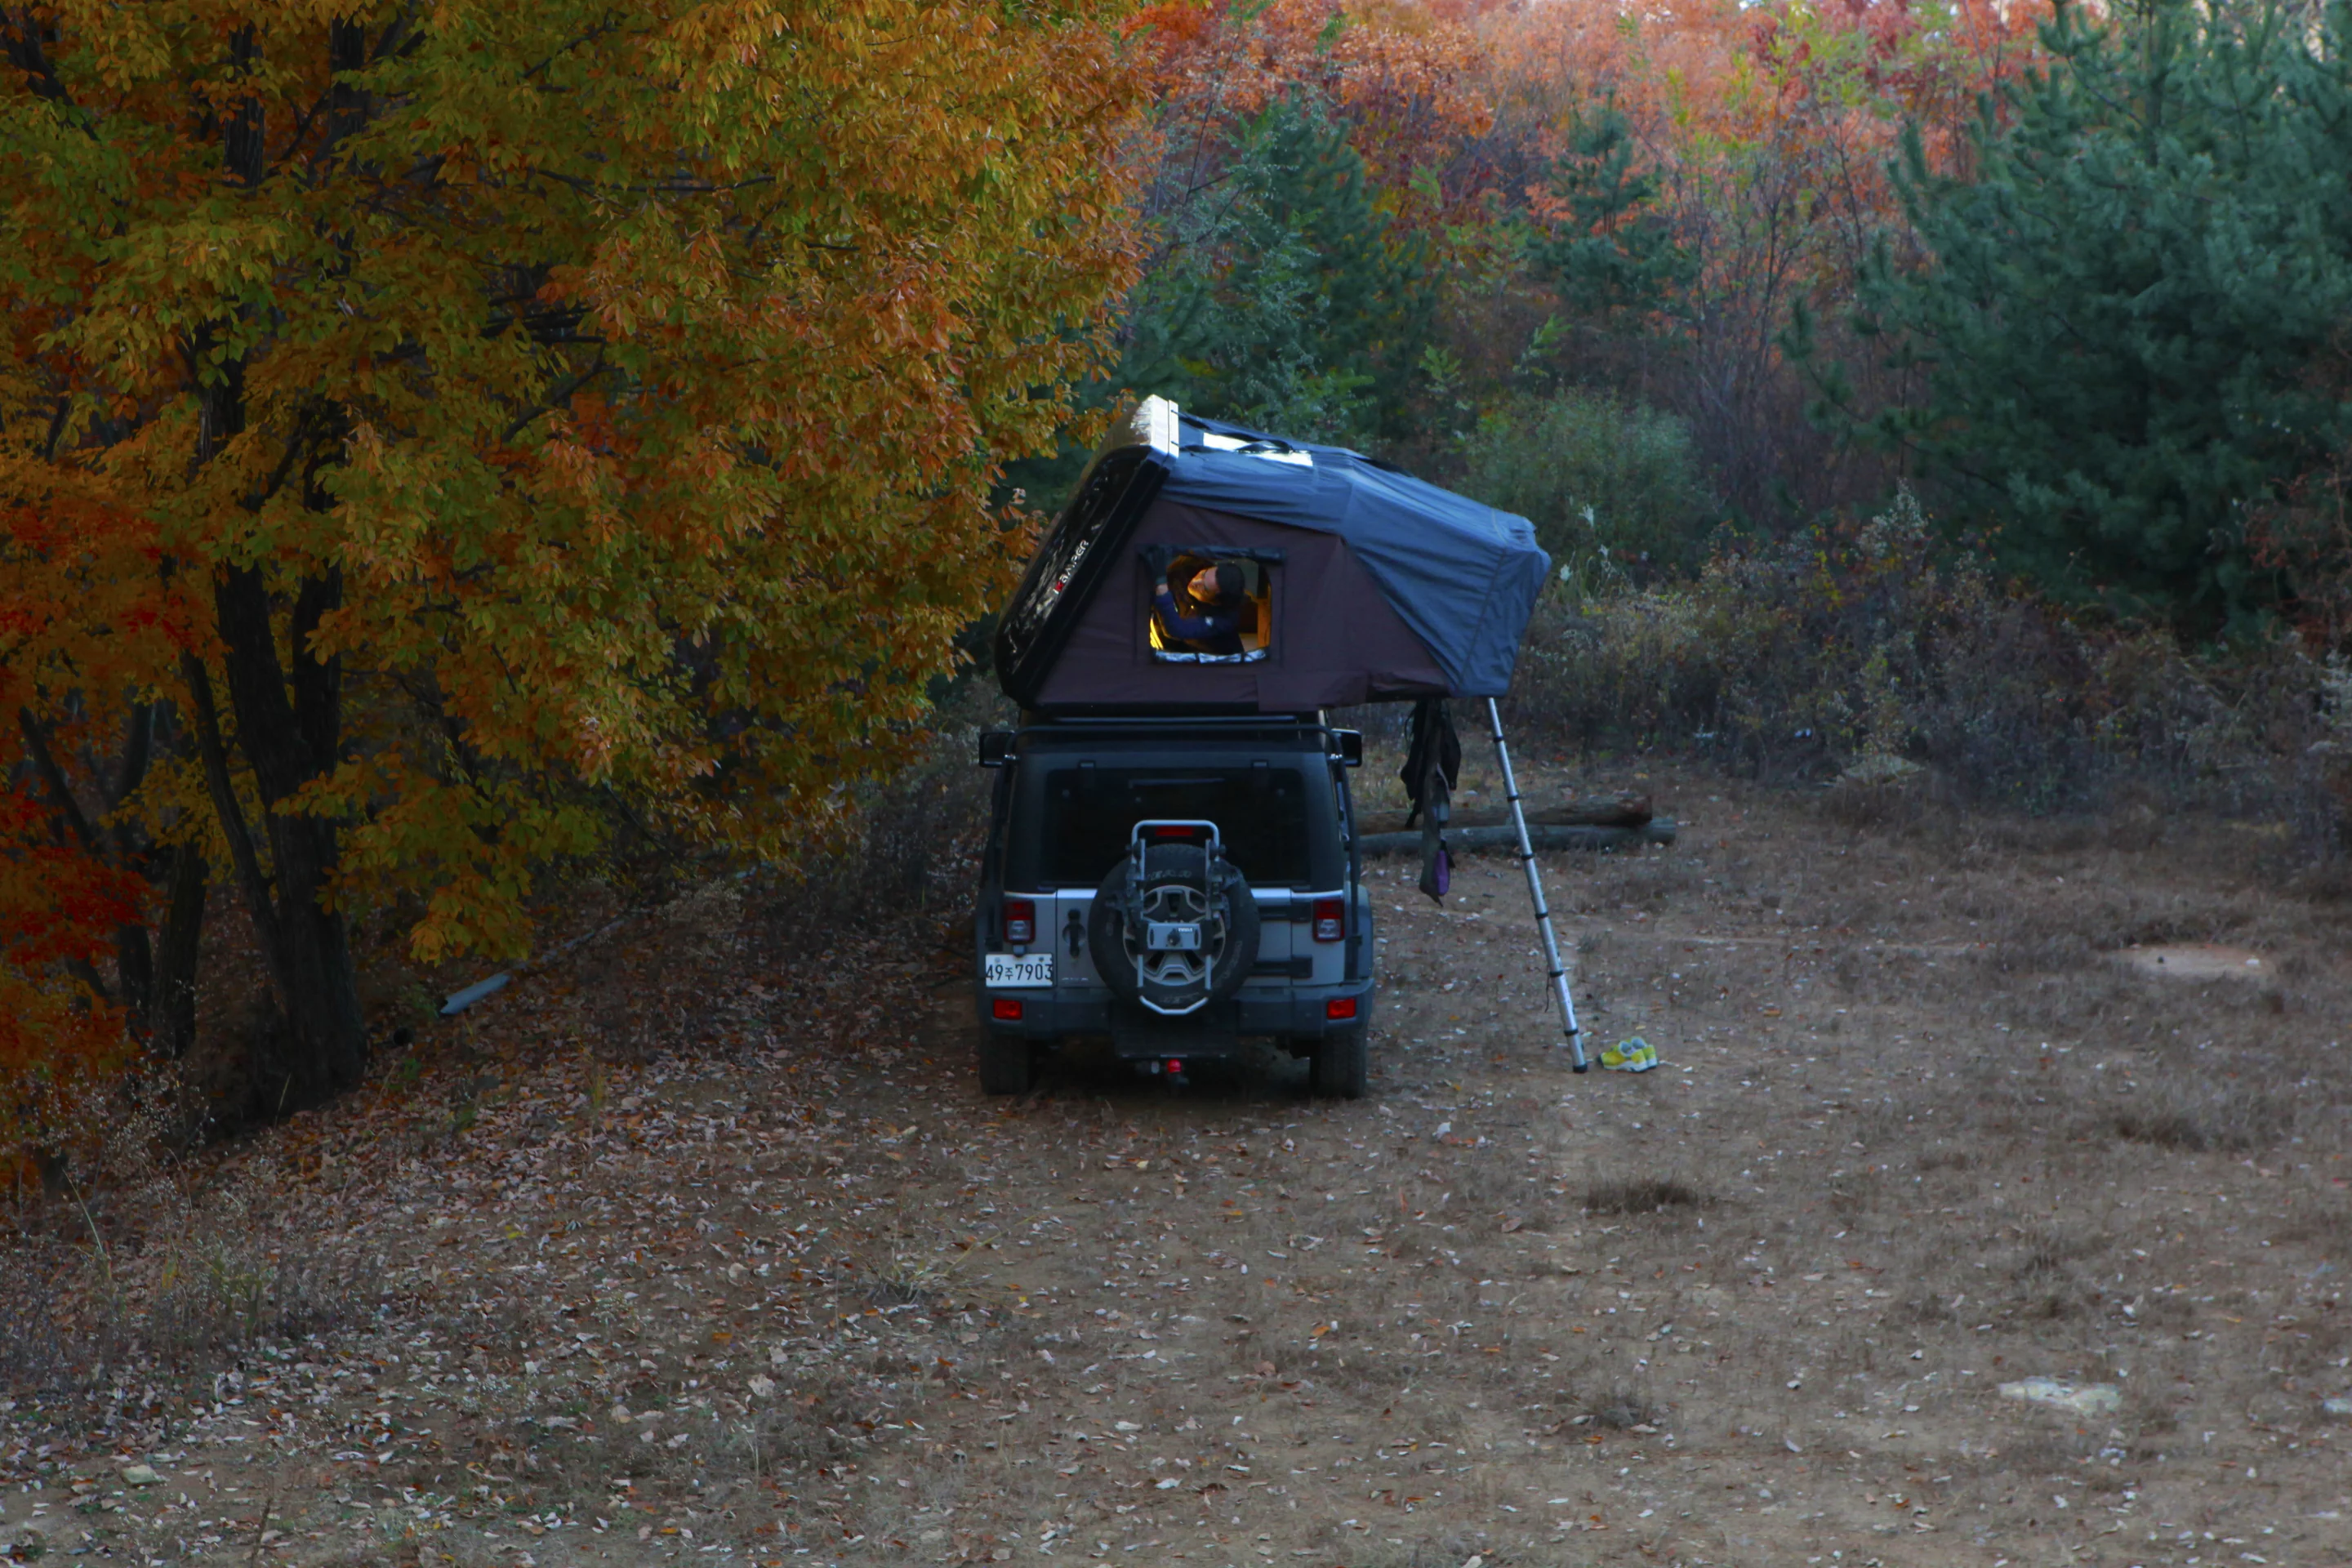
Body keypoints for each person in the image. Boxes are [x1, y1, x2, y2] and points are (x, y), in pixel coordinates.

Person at [1149, 553, 1250, 655]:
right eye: (1203, 574)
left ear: (1215, 602)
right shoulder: (1194, 564)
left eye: (1204, 589)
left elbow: (1177, 630)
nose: (1195, 582)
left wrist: (1162, 589)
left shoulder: (1224, 620)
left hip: (1206, 657)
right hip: (1173, 633)